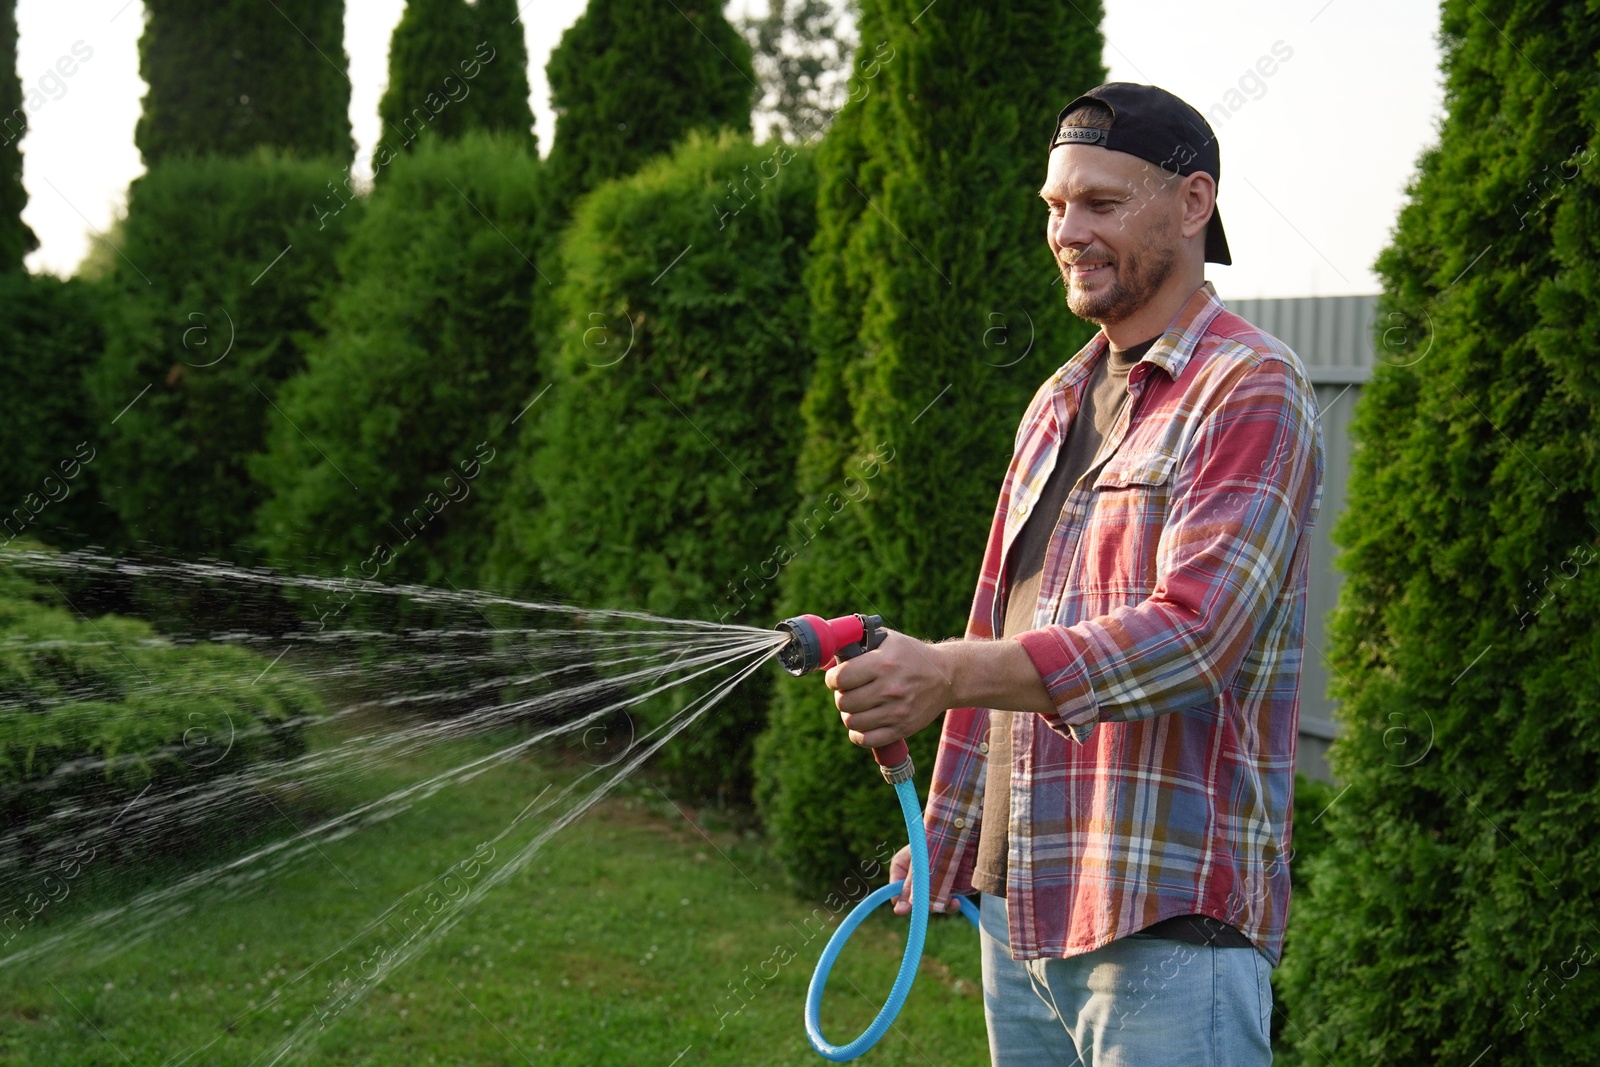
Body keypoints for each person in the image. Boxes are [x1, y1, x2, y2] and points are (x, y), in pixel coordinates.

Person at [823, 82, 1325, 1065]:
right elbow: (1000, 612)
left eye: (1099, 202)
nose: (1067, 230)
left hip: (1166, 928)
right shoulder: (1057, 398)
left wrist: (946, 671)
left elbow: (1193, 634)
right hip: (1024, 916)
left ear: (1192, 203)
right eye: (1055, 205)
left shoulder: (1250, 386)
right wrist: (949, 835)